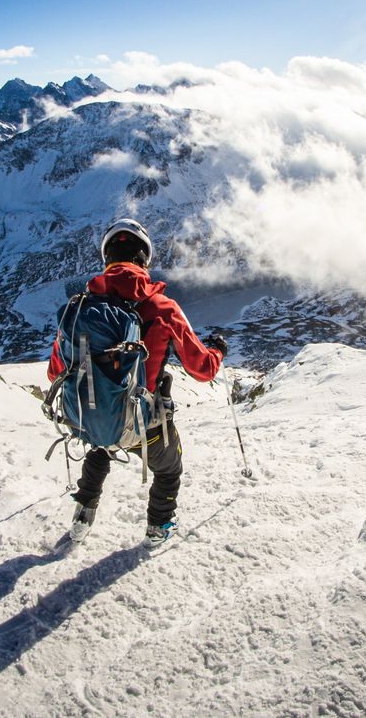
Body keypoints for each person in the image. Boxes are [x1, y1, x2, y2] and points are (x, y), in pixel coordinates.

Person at [46, 218, 228, 547]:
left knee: (102, 442)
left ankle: (83, 512)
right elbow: (203, 369)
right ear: (144, 260)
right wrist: (217, 350)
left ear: (107, 260)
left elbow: (54, 372)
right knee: (169, 467)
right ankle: (158, 527)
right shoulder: (163, 308)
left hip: (90, 417)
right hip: (146, 425)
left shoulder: (81, 307)